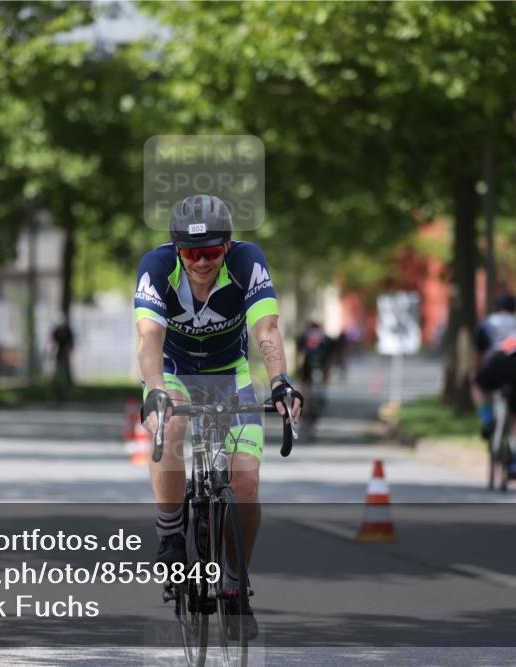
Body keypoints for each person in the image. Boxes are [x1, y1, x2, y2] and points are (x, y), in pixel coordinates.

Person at [136, 194, 303, 639]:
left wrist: (280, 382)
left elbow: (265, 331)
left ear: (226, 247)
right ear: (177, 250)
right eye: (192, 252)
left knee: (245, 482)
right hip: (173, 373)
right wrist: (154, 390)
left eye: (211, 251)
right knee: (171, 425)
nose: (202, 262)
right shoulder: (156, 267)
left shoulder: (249, 262)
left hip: (231, 377)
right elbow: (149, 337)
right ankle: (171, 531)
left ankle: (235, 582)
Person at [471, 293, 516, 480]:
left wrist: (475, 373)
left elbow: (478, 354)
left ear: (496, 308)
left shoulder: (486, 323)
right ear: (515, 309)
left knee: (477, 385)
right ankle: (515, 461)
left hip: (496, 361)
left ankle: (486, 419)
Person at [51, 319, 75, 402]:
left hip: (64, 355)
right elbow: (51, 343)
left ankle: (63, 393)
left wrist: (67, 354)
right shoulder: (56, 332)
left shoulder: (68, 333)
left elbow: (70, 346)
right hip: (58, 354)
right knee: (57, 375)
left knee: (62, 374)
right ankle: (57, 392)